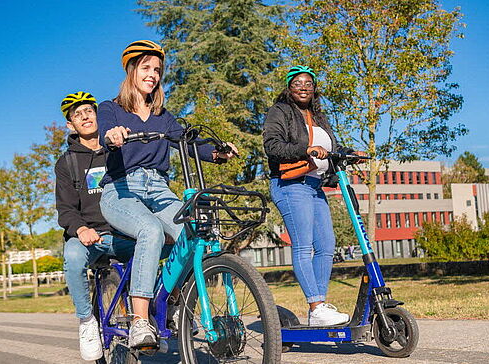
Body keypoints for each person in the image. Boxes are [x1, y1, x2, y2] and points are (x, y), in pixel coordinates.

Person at [97, 40, 238, 348]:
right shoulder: (111, 109)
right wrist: (113, 135)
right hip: (121, 189)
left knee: (193, 233)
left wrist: (216, 152)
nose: (153, 74)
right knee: (150, 231)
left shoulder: (164, 116)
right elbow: (105, 131)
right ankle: (140, 322)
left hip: (158, 188)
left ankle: (171, 302)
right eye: (146, 68)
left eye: (157, 70)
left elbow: (188, 141)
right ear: (132, 70)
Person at [264, 65, 365, 326]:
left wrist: (348, 153)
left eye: (309, 83)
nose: (304, 87)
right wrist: (307, 149)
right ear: (289, 87)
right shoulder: (281, 112)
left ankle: (318, 309)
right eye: (298, 83)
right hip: (290, 184)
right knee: (304, 245)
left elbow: (328, 148)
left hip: (314, 185)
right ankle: (316, 305)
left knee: (326, 246)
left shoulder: (318, 117)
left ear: (314, 88)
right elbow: (272, 146)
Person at [55, 91, 136, 361]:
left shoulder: (118, 149)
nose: (85, 117)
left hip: (121, 232)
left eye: (89, 111)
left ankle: (163, 309)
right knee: (73, 256)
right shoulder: (67, 163)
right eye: (77, 115)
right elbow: (65, 209)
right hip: (88, 236)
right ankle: (87, 322)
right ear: (71, 125)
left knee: (161, 244)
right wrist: (81, 230)